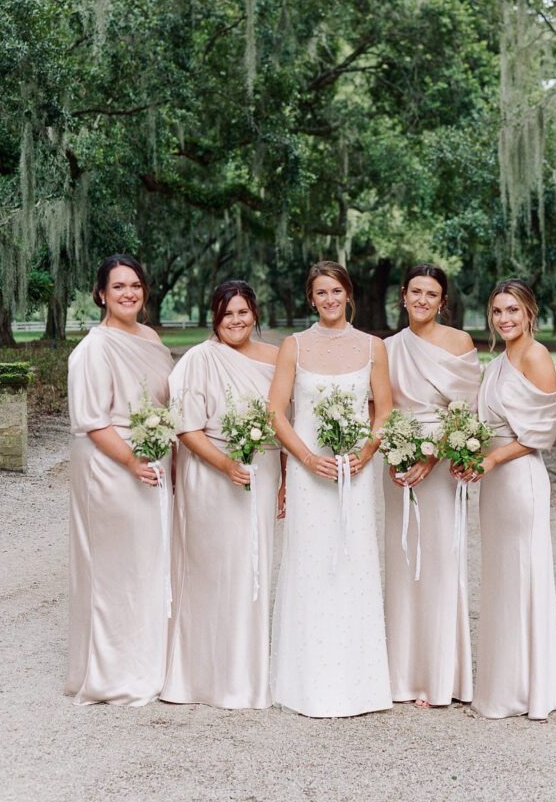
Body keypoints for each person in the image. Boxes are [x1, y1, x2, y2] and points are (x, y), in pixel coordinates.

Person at [268, 261, 393, 717]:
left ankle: (359, 683)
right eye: (321, 293)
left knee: (353, 562)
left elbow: (383, 411)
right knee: (310, 562)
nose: (329, 300)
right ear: (311, 298)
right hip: (309, 471)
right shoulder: (293, 346)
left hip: (354, 474)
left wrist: (366, 453)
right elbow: (277, 413)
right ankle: (305, 682)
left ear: (348, 294)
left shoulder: (374, 347)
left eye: (336, 291)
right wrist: (305, 458)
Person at [161, 281, 285, 709]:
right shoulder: (198, 360)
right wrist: (226, 464)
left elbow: (282, 423)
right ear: (214, 316)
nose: (236, 321)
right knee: (209, 569)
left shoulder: (275, 358)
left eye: (243, 312)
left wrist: (282, 476)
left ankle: (246, 675)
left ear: (255, 314)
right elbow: (187, 428)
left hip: (261, 471)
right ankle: (198, 677)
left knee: (253, 568)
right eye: (227, 313)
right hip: (211, 474)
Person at [66, 254, 174, 706]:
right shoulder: (93, 348)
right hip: (112, 465)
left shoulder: (149, 337)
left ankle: (148, 661)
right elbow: (93, 421)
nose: (128, 293)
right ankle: (113, 673)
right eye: (118, 287)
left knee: (149, 563)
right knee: (116, 569)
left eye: (135, 285)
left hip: (152, 458)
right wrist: (132, 461)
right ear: (101, 295)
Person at [467, 278, 556, 720]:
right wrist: (468, 453)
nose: (504, 318)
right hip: (494, 484)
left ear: (529, 312)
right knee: (501, 579)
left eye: (513, 310)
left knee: (525, 575)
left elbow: (539, 434)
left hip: (519, 481)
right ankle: (502, 684)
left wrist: (491, 462)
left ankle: (531, 689)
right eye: (497, 312)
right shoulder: (496, 363)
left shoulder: (536, 356)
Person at [384, 264, 480, 707]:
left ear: (443, 302)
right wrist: (393, 453)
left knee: (441, 562)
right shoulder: (386, 348)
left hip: (440, 466)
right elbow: (380, 411)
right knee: (402, 563)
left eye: (432, 294)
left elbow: (466, 412)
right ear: (403, 296)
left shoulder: (458, 342)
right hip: (400, 465)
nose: (423, 300)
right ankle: (400, 675)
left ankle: (440, 678)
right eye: (416, 291)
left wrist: (430, 457)